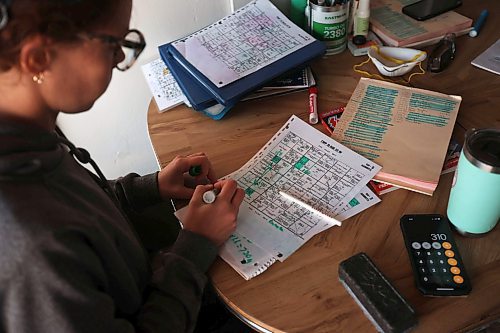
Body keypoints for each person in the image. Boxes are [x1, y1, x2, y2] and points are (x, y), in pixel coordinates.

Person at [0, 0, 246, 332]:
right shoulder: (32, 248)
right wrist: (195, 247)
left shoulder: (26, 130)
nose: (119, 57)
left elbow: (78, 207)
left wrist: (148, 187)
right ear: (38, 58)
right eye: (113, 43)